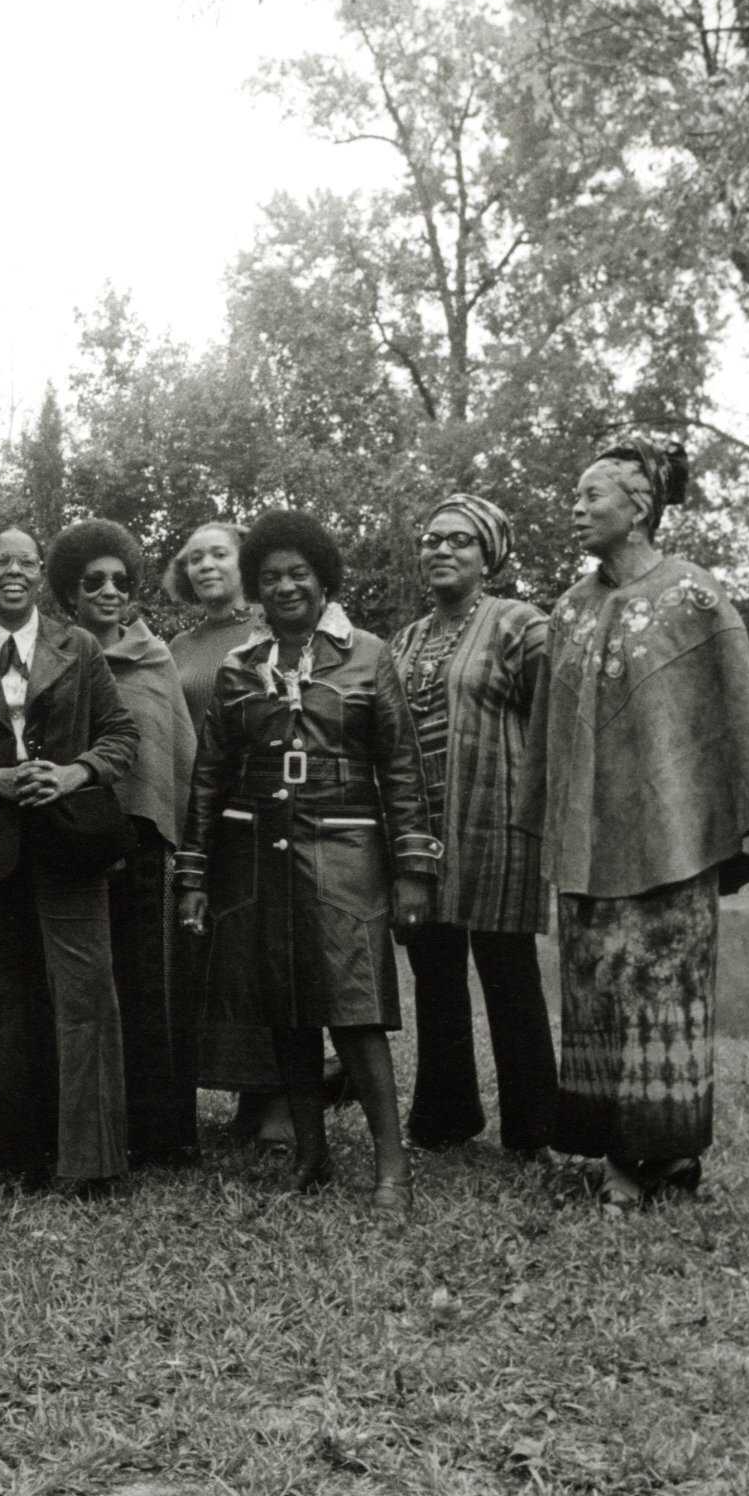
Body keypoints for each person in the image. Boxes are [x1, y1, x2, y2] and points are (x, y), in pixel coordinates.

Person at [515, 438, 749, 1211]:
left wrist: (702, 821)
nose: (575, 509)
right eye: (574, 496)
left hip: (673, 845)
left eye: (590, 495)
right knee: (596, 988)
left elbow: (728, 726)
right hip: (591, 843)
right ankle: (627, 1146)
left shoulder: (694, 598)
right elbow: (550, 734)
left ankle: (651, 1156)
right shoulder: (568, 607)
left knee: (660, 989)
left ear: (637, 507)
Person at [176, 508, 440, 1210]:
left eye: (298, 574)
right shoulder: (239, 669)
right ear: (256, 588)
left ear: (323, 579)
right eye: (271, 577)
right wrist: (194, 875)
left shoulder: (368, 654)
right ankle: (311, 1155)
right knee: (285, 1008)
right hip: (260, 857)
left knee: (354, 1008)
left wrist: (413, 869)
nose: (286, 587)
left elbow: (403, 770)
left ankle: (391, 1169)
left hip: (348, 853)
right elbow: (209, 778)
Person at [0, 524, 138, 1195]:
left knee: (83, 996)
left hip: (70, 841)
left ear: (40, 574)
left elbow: (120, 735)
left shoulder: (81, 647)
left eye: (24, 562)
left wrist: (72, 774)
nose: (12, 571)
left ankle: (90, 1162)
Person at [387, 492, 559, 1154]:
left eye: (458, 540)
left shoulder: (521, 624)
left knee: (508, 975)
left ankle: (533, 1128)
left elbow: (553, 725)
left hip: (497, 828)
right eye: (431, 539)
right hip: (422, 831)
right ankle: (444, 1117)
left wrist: (546, 811)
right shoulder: (405, 639)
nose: (441, 550)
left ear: (488, 555)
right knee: (434, 974)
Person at [49, 517, 197, 1169]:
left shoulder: (154, 656)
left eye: (119, 580)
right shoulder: (52, 656)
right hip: (72, 839)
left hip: (142, 839)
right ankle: (91, 1128)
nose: (108, 591)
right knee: (86, 989)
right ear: (70, 592)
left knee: (149, 986)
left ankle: (160, 1133)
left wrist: (188, 845)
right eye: (92, 581)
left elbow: (178, 753)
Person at [164, 519, 293, 1145]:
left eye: (219, 554)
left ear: (246, 562)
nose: (205, 565)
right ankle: (244, 1095)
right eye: (193, 559)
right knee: (207, 960)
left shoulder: (271, 633)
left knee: (257, 957)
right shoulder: (177, 646)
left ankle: (277, 1102)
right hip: (191, 819)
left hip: (255, 818)